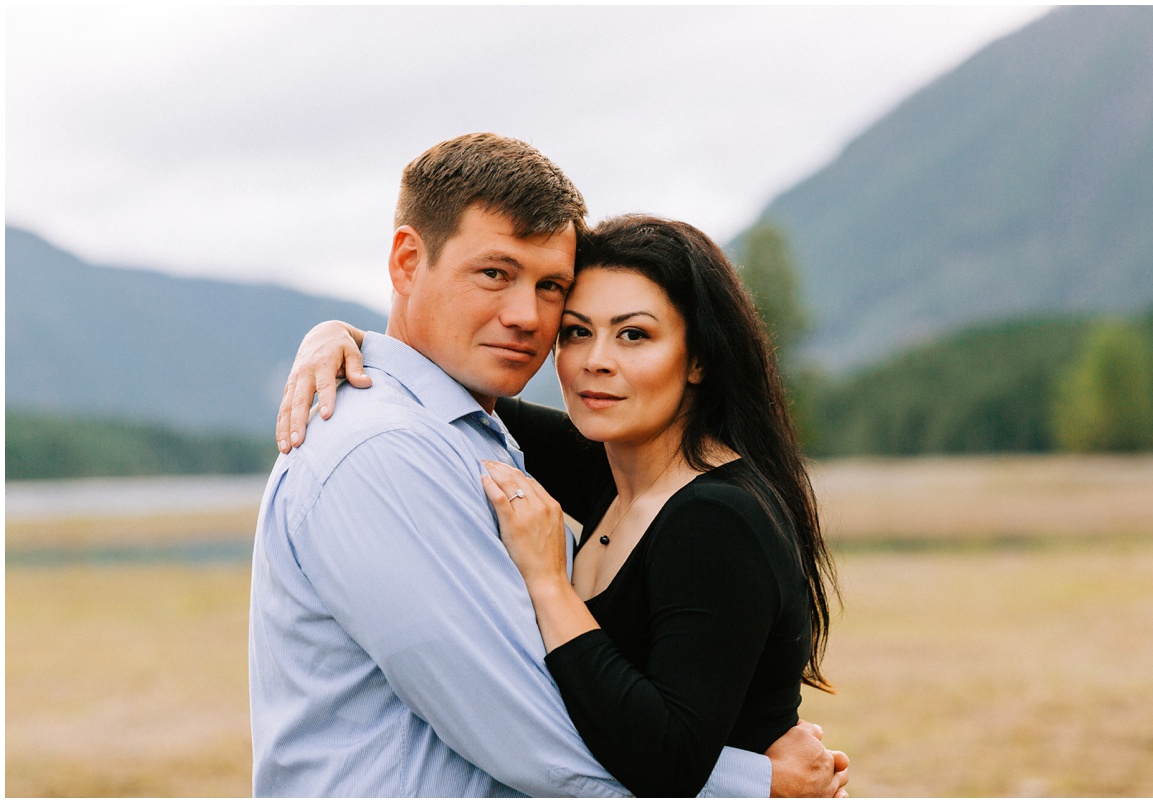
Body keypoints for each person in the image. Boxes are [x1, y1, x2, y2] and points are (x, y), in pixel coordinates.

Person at [252, 132, 847, 797]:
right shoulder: (395, 450)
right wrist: (760, 782)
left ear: (699, 355)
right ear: (407, 262)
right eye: (496, 274)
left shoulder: (694, 503)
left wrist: (549, 582)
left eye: (550, 289)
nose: (528, 318)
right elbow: (527, 726)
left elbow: (639, 739)